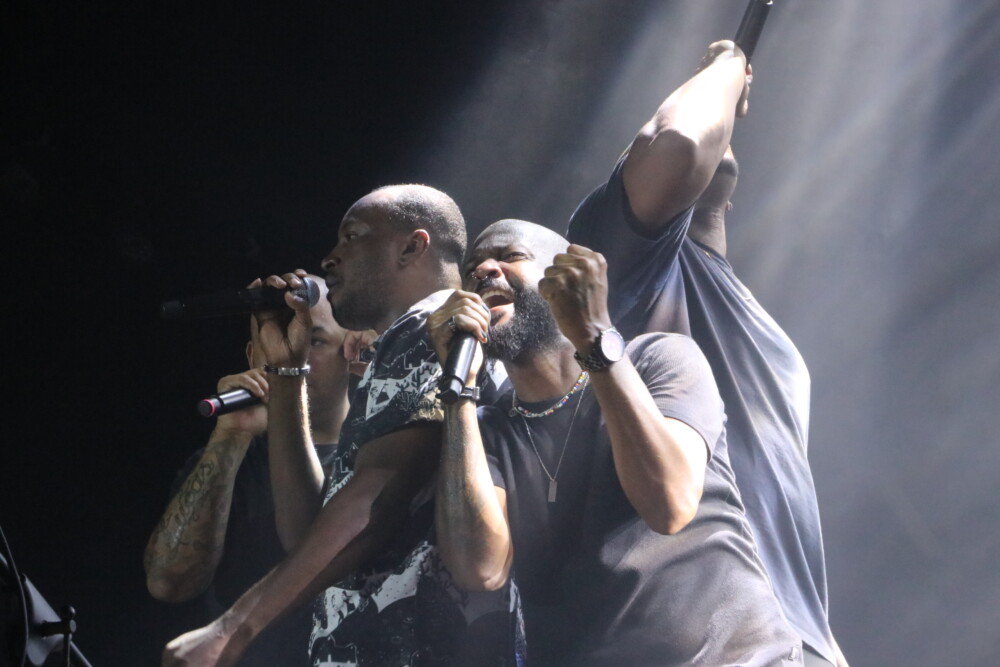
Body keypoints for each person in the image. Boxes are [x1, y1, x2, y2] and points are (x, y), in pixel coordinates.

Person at [567, 40, 846, 666]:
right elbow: (679, 145)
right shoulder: (620, 264)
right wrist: (726, 66)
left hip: (795, 642)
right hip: (707, 644)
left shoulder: (750, 316)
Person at [162, 184, 520, 667]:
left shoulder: (430, 324)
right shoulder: (408, 342)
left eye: (352, 237)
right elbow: (309, 536)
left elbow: (375, 501)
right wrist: (287, 372)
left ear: (412, 247)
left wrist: (232, 629)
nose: (329, 258)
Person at [428, 218, 803, 666]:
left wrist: (593, 335)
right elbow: (480, 569)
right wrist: (459, 395)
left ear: (564, 275)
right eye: (472, 269)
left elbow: (668, 504)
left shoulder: (657, 359)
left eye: (510, 256)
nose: (484, 270)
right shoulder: (485, 429)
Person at [145, 277, 363, 665]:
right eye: (276, 339)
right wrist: (230, 436)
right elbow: (168, 582)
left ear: (350, 350)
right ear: (252, 355)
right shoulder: (230, 458)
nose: (294, 354)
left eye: (313, 341)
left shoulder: (378, 454)